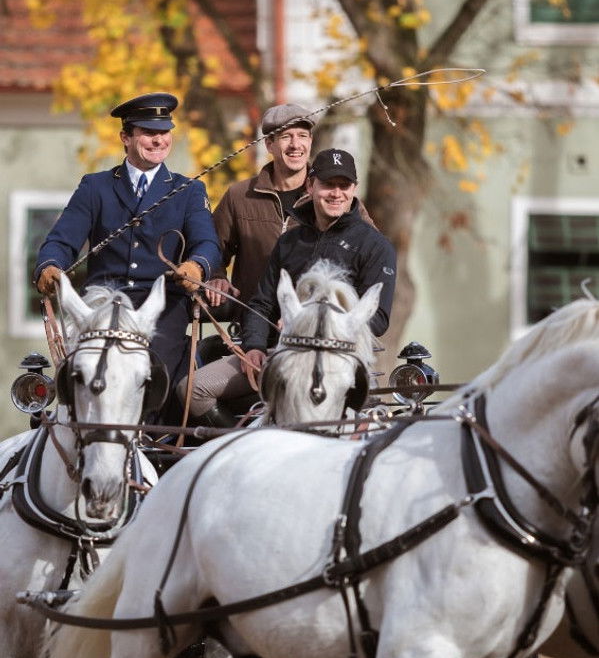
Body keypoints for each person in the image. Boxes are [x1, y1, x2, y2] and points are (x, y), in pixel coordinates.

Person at [177, 148, 396, 426]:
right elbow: (262, 302)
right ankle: (238, 451)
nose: (336, 193)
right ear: (310, 185)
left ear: (354, 189)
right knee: (191, 389)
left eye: (344, 186)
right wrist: (253, 347)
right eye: (328, 185)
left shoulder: (376, 246)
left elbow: (378, 319)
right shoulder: (290, 242)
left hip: (338, 361)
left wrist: (309, 326)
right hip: (274, 353)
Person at [34, 92, 221, 401]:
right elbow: (61, 239)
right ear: (126, 137)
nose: (159, 140)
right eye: (149, 132)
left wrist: (196, 265)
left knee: (148, 375)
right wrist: (49, 264)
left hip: (160, 306)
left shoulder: (188, 190)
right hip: (102, 303)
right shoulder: (95, 186)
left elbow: (207, 242)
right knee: (85, 373)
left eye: (164, 133)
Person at [203, 102, 373, 316]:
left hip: (318, 330)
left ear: (310, 141)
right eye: (286, 137)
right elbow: (211, 247)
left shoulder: (336, 199)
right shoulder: (240, 196)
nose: (295, 145)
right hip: (253, 325)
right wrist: (216, 276)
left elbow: (372, 255)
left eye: (302, 135)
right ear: (269, 144)